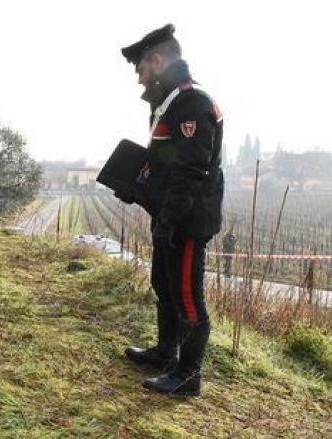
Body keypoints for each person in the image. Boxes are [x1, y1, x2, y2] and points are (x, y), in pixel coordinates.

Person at [115, 24, 224, 396]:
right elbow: (165, 166)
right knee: (164, 286)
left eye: (141, 70)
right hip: (169, 216)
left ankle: (188, 375)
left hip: (188, 221)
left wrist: (171, 220)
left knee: (188, 296)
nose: (140, 79)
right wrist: (137, 188)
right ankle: (166, 353)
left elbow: (191, 171)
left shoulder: (193, 103)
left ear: (157, 61)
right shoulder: (168, 105)